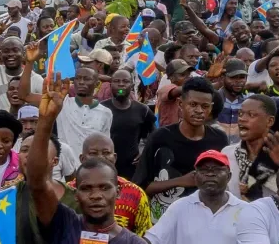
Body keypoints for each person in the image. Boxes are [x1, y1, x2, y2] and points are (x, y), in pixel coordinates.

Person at [28, 76, 158, 244]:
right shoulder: (64, 227)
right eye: (87, 188)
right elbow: (38, 183)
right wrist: (46, 121)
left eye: (104, 187)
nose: (96, 195)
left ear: (118, 191)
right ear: (77, 192)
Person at [136, 77, 229, 215]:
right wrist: (181, 181)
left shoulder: (219, 139)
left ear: (211, 107)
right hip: (164, 219)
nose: (199, 111)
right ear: (180, 104)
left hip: (205, 217)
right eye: (193, 104)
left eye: (205, 106)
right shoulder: (160, 137)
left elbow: (225, 185)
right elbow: (141, 187)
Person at [55, 64, 113, 180]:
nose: (81, 82)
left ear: (97, 84)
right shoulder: (62, 103)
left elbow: (105, 146)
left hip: (92, 173)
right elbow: (24, 95)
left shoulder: (106, 113)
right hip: (64, 172)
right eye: (78, 78)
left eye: (86, 79)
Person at [103, 65, 154, 170]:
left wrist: (145, 152)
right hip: (106, 166)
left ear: (132, 85)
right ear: (110, 84)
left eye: (125, 81)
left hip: (132, 166)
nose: (121, 84)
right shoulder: (101, 109)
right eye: (117, 81)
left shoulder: (143, 110)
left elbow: (153, 134)